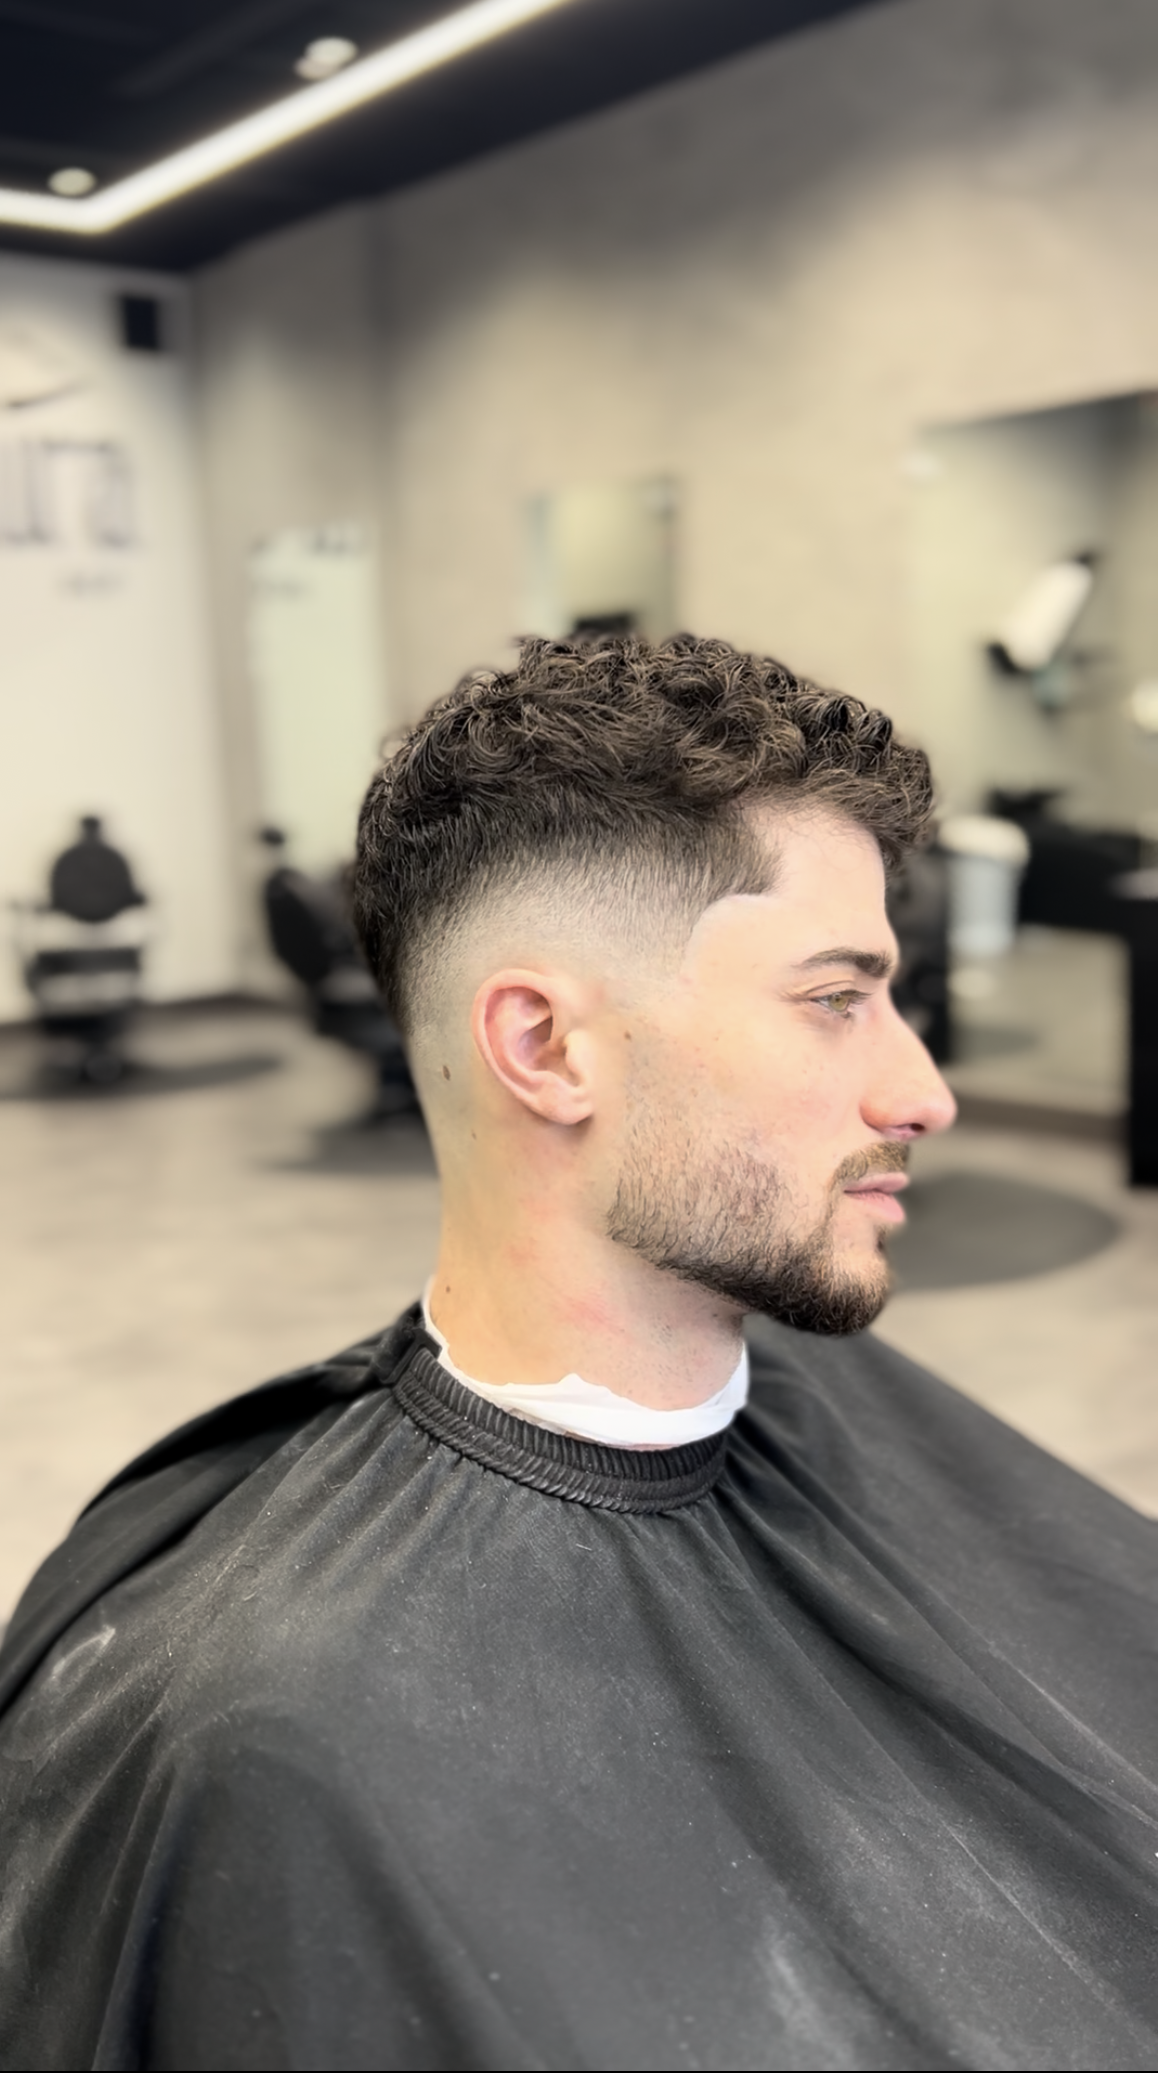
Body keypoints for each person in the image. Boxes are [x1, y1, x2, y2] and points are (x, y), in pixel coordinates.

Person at [1, 635, 1156, 2072]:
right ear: (546, 1047)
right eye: (832, 997)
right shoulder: (270, 1749)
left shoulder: (851, 1413)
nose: (920, 1090)